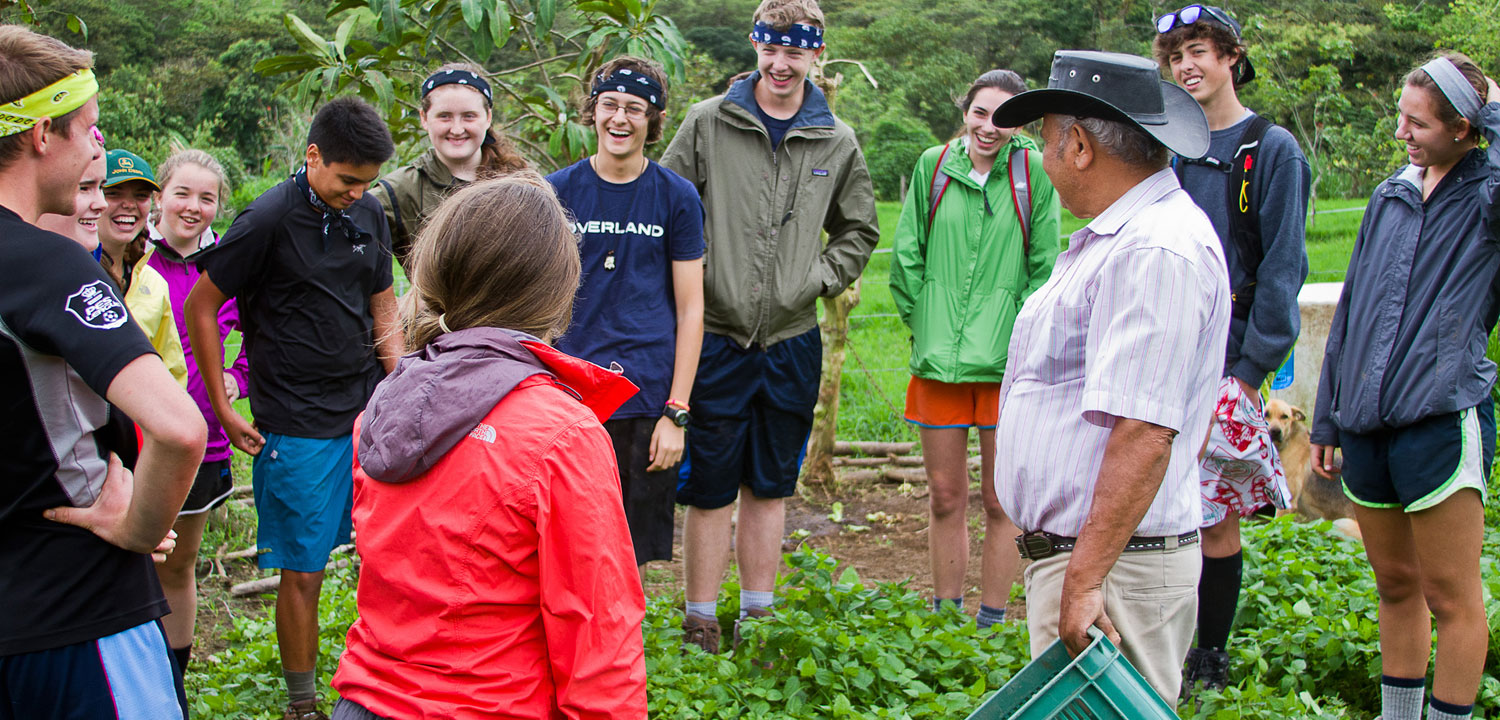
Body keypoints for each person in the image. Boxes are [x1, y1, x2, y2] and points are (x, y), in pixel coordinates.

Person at [330, 174, 647, 720]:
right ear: (557, 290)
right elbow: (598, 638)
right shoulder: (561, 434)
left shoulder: (387, 403)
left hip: (364, 700)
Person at [989, 50, 1228, 704]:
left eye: (1045, 140)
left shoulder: (1155, 249)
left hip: (1117, 569)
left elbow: (1147, 430)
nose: (1042, 156)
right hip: (1100, 559)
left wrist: (1087, 579)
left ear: (1081, 146)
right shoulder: (1120, 240)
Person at [660, 0, 879, 654]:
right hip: (717, 335)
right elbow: (670, 205)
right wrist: (694, 279)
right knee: (710, 484)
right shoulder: (708, 122)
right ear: (755, 46)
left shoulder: (834, 139)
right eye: (771, 49)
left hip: (790, 338)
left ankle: (758, 614)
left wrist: (813, 280)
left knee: (770, 482)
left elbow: (860, 228)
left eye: (797, 52)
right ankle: (699, 619)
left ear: (817, 53)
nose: (781, 65)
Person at [0, 24, 205, 718]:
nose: (97, 145)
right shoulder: (42, 263)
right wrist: (141, 529)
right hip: (80, 612)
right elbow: (179, 429)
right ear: (39, 135)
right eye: (89, 129)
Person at [186, 96, 402, 720]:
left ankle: (386, 679)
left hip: (365, 410)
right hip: (298, 421)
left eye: (366, 183)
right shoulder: (267, 219)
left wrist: (400, 386)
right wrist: (224, 407)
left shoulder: (369, 214)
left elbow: (383, 305)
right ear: (313, 156)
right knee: (303, 571)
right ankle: (302, 704)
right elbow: (203, 305)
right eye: (346, 180)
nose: (356, 194)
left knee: (385, 556)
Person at [1311, 54, 1500, 720]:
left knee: (1452, 597)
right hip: (1366, 424)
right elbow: (1353, 311)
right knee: (1395, 585)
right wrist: (1328, 419)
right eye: (1401, 116)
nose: (1401, 134)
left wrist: (1495, 113)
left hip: (1440, 420)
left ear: (1465, 127)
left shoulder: (1487, 197)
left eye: (1417, 122)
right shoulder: (1393, 194)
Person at [1152, 4, 1312, 692]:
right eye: (1176, 54)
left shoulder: (1269, 150)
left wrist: (1250, 373)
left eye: (1199, 50)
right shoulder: (1165, 145)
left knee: (1215, 519)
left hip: (1229, 362)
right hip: (1162, 353)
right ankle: (1157, 644)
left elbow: (1283, 267)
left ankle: (1208, 662)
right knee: (1155, 510)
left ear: (1231, 57)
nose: (1188, 65)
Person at [889, 68, 1060, 627]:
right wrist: (926, 322)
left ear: (1021, 123)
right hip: (938, 363)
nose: (990, 127)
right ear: (965, 111)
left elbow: (1045, 267)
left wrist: (1019, 334)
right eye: (980, 113)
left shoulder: (1034, 172)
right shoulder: (932, 166)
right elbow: (907, 255)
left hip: (1006, 366)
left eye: (1004, 116)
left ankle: (989, 621)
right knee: (944, 496)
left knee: (998, 500)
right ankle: (944, 618)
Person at [549, 55, 705, 585]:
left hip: (646, 394)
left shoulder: (676, 197)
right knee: (568, 535)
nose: (620, 118)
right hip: (570, 392)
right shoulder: (556, 192)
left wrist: (676, 412)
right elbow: (534, 300)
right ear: (592, 113)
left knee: (630, 549)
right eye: (610, 105)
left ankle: (620, 653)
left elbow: (691, 307)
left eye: (635, 109)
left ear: (652, 120)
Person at [137, 149, 249, 672]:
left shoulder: (227, 264)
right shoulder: (132, 256)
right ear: (159, 197)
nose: (193, 206)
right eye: (182, 193)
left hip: (201, 438)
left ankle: (172, 679)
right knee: (129, 562)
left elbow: (260, 331)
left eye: (207, 198)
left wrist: (236, 377)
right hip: (134, 435)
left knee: (178, 564)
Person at [372, 62, 529, 267]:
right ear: (424, 118)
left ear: (488, 117)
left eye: (468, 116)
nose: (456, 129)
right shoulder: (399, 190)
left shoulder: (520, 180)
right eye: (444, 116)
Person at [76, 145, 190, 388]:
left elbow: (171, 372)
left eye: (140, 196)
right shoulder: (72, 275)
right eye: (114, 193)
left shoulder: (154, 282)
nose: (129, 205)